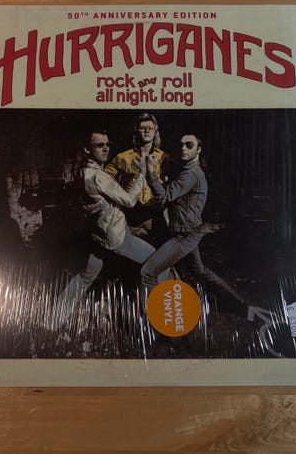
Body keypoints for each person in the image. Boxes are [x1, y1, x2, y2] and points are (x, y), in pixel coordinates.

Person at [45, 129, 169, 331]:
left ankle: (51, 323)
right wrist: (143, 174)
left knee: (84, 278)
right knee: (159, 264)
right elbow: (129, 201)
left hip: (99, 235)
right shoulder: (98, 177)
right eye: (99, 145)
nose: (105, 149)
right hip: (116, 237)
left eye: (107, 144)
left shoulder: (82, 173)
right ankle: (153, 320)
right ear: (87, 149)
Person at [141, 134, 248, 316]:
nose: (183, 148)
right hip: (190, 231)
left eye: (189, 145)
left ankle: (156, 321)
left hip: (185, 236)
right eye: (181, 144)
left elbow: (165, 197)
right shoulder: (187, 171)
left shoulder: (191, 174)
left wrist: (149, 173)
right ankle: (240, 305)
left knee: (148, 273)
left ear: (198, 149)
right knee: (199, 271)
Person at [105, 113, 169, 243]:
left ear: (155, 131)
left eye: (150, 128)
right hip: (131, 214)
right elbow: (105, 177)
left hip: (154, 215)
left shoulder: (164, 157)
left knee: (160, 247)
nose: (146, 131)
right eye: (142, 128)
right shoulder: (122, 157)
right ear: (136, 130)